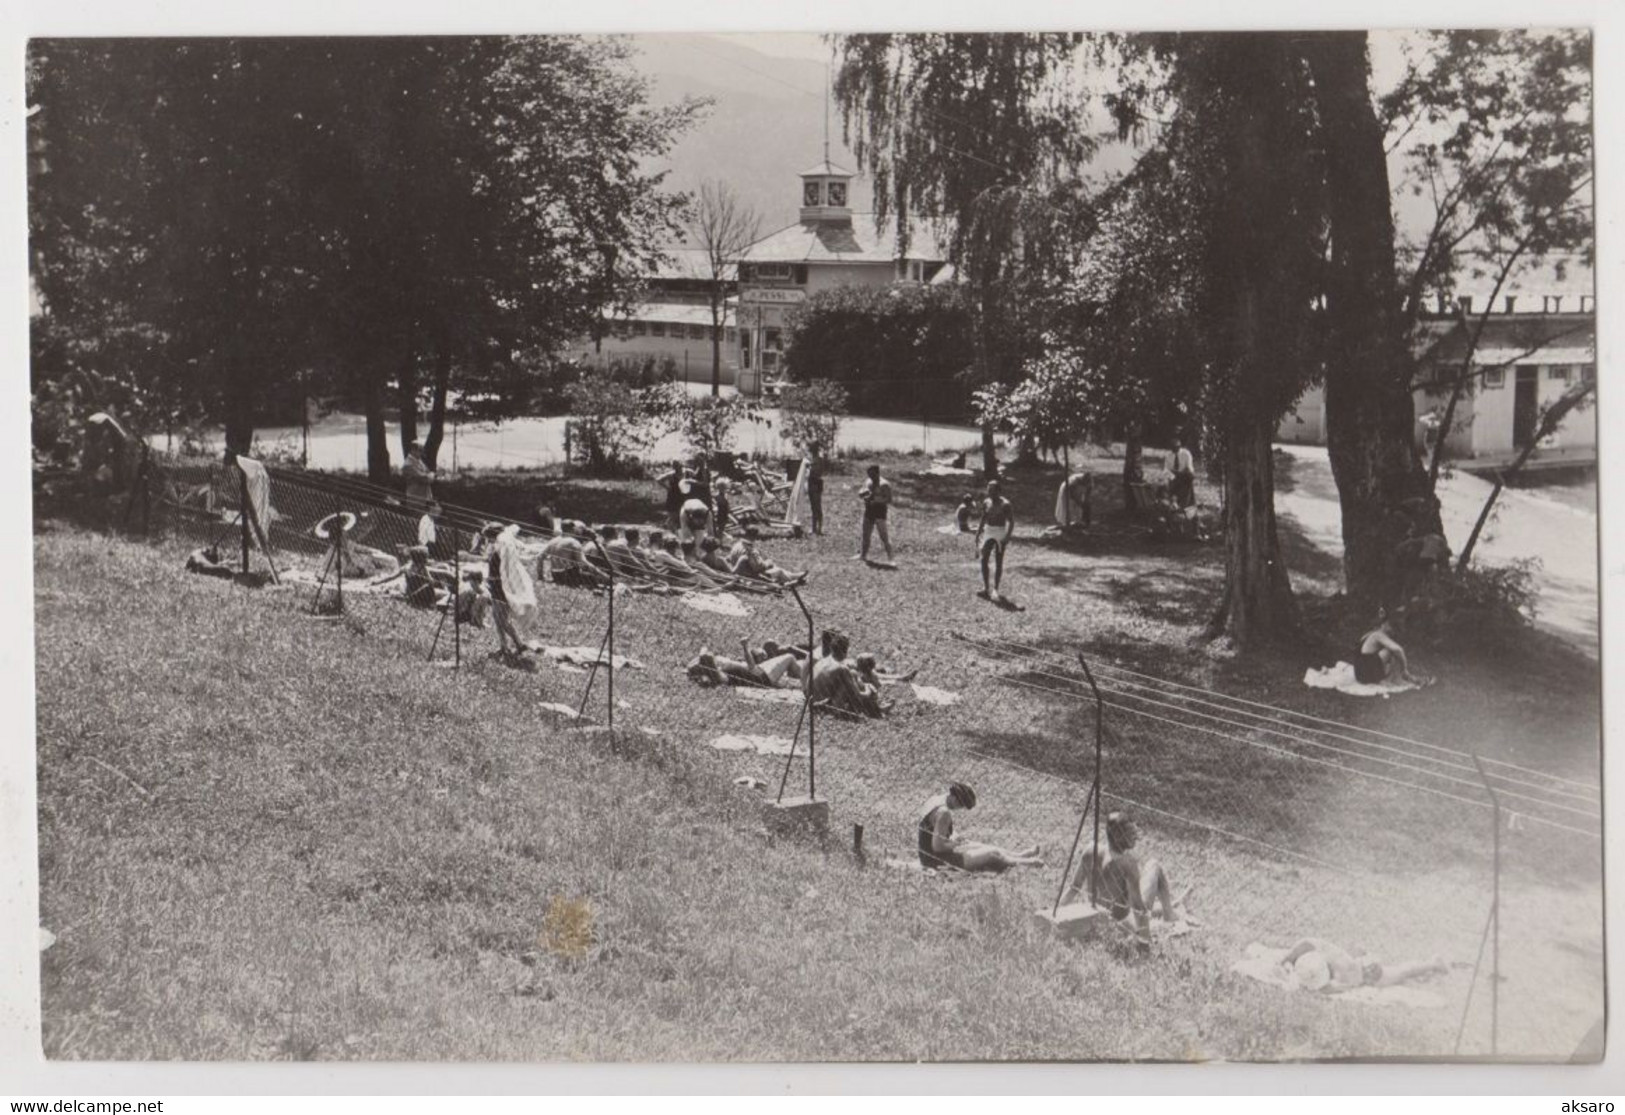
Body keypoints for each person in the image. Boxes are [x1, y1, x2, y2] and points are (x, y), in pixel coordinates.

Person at [1060, 811, 1182, 950]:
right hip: (1121, 926)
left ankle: (1169, 908)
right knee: (1154, 865)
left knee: (1137, 900)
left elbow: (1073, 888)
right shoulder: (1127, 863)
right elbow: (1138, 909)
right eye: (1130, 833)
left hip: (1096, 918)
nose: (1135, 837)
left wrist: (1056, 912)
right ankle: (1170, 915)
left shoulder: (1090, 850)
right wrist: (1144, 944)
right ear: (1117, 836)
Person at [916, 782, 1044, 873]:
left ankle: (1020, 855)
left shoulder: (936, 801)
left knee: (978, 845)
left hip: (927, 855)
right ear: (956, 800)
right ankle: (1028, 863)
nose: (960, 809)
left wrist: (956, 837)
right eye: (961, 806)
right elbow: (937, 847)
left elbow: (934, 832)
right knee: (992, 854)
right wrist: (954, 845)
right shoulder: (944, 813)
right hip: (937, 861)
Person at [1278, 938, 1447, 992]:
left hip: (1370, 973)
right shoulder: (1323, 952)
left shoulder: (1339, 977)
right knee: (1400, 970)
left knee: (1402, 972)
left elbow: (1329, 989)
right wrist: (1287, 958)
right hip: (1359, 960)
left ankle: (1432, 963)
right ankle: (1431, 963)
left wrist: (1294, 978)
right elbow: (1306, 942)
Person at [482, 522, 534, 659]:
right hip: (495, 585)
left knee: (501, 619)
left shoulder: (502, 549)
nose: (488, 541)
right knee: (497, 618)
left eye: (489, 538)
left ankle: (519, 643)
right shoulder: (499, 548)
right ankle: (504, 646)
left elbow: (505, 570)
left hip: (500, 587)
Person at [806, 631, 884, 718]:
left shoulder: (823, 661)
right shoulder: (842, 668)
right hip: (822, 705)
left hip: (810, 700)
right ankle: (875, 710)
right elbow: (858, 695)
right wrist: (868, 688)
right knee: (848, 685)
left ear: (832, 648)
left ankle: (876, 708)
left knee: (853, 675)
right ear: (846, 651)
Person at [976, 479, 1016, 601]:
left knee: (998, 561)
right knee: (984, 559)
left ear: (999, 491)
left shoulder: (1005, 504)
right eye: (989, 490)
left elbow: (1011, 522)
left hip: (999, 532)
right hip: (988, 531)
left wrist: (1007, 537)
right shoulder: (986, 502)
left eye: (993, 490)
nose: (990, 492)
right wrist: (978, 532)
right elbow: (983, 518)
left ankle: (995, 590)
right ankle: (986, 588)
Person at [1354, 613, 1421, 685]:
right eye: (1391, 626)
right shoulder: (1378, 635)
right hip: (1367, 674)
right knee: (1392, 651)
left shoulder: (1370, 633)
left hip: (1359, 674)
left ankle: (1391, 677)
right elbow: (1399, 650)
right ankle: (1395, 679)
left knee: (1388, 651)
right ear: (1385, 624)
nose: (1393, 630)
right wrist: (1404, 669)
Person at [729, 538, 806, 587]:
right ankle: (793, 579)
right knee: (778, 571)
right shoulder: (749, 551)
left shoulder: (737, 545)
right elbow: (758, 567)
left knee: (776, 569)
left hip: (745, 573)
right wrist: (768, 563)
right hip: (751, 576)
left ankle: (794, 576)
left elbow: (730, 558)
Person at [856, 463, 895, 562]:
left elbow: (889, 499)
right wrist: (862, 493)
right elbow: (862, 490)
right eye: (869, 474)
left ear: (878, 473)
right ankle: (863, 555)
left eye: (872, 474)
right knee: (865, 534)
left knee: (884, 536)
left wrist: (876, 500)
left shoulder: (884, 484)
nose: (870, 476)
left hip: (880, 511)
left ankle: (891, 559)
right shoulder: (868, 481)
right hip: (869, 510)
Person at [677, 483, 713, 557]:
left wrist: (710, 544)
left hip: (699, 507)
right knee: (686, 539)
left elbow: (710, 530)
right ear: (692, 518)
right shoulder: (684, 513)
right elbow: (684, 528)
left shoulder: (708, 513)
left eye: (700, 522)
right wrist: (690, 540)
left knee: (699, 538)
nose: (698, 523)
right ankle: (687, 556)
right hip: (687, 507)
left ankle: (699, 555)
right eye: (697, 521)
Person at [402, 440, 436, 505]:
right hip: (415, 498)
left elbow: (427, 471)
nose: (421, 453)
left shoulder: (418, 461)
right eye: (420, 450)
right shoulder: (408, 464)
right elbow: (424, 478)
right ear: (413, 450)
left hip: (424, 497)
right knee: (416, 514)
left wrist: (430, 475)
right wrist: (431, 475)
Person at [1169, 438, 1196, 510]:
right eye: (1172, 448)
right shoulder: (1169, 456)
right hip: (1175, 476)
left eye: (1176, 448)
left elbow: (1189, 469)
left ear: (1179, 447)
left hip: (1185, 475)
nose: (1174, 450)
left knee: (1187, 478)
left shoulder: (1186, 454)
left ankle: (1184, 504)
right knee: (1171, 479)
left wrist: (1180, 473)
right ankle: (1174, 502)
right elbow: (1168, 469)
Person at [806, 445, 826, 535]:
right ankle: (814, 528)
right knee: (814, 508)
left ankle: (819, 529)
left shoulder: (818, 460)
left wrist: (809, 468)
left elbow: (816, 473)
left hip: (816, 485)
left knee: (817, 507)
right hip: (812, 485)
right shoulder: (813, 460)